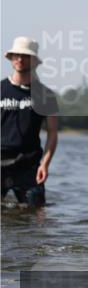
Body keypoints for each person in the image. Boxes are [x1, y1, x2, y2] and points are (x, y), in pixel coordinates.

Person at [2, 37, 58, 206]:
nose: (20, 59)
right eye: (17, 55)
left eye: (26, 56)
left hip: (29, 167)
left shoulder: (46, 95)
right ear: (11, 58)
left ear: (34, 61)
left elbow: (53, 133)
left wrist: (45, 164)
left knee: (37, 214)